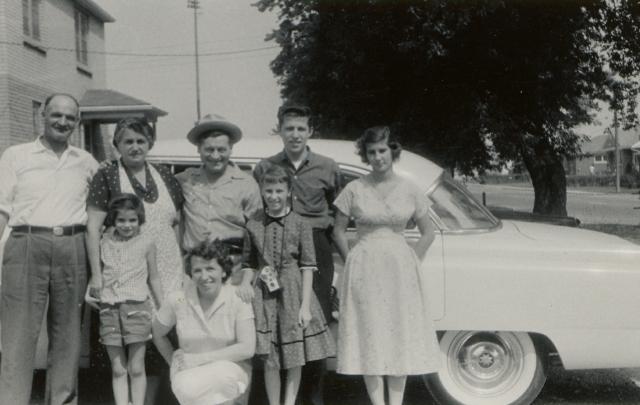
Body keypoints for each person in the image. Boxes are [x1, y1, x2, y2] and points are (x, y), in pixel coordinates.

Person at [0, 93, 99, 405]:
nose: (63, 122)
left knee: (68, 336)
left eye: (70, 117)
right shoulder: (16, 155)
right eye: (56, 115)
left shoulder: (87, 162)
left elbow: (100, 213)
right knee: (17, 336)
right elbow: (2, 208)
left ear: (77, 122)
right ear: (42, 114)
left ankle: (62, 400)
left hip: (73, 246)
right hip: (25, 244)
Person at [332, 126, 441, 405]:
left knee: (398, 332)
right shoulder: (354, 189)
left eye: (382, 150)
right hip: (364, 268)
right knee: (370, 332)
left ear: (393, 151)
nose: (378, 157)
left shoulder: (410, 189)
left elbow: (428, 232)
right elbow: (338, 231)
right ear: (365, 155)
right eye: (372, 152)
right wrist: (351, 258)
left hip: (399, 270)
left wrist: (412, 258)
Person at [85, 117, 184, 404]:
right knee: (136, 339)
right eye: (128, 141)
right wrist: (96, 275)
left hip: (166, 269)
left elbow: (176, 222)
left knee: (165, 333)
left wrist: (182, 268)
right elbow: (93, 228)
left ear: (150, 143)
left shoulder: (164, 174)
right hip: (127, 273)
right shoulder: (107, 176)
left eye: (141, 141)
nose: (135, 146)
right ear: (117, 144)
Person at [253, 104, 341, 405]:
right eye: (289, 128)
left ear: (310, 131)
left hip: (315, 244)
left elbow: (336, 212)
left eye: (301, 128)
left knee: (312, 323)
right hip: (276, 246)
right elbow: (261, 209)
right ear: (280, 130)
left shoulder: (328, 166)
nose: (295, 135)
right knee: (279, 323)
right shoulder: (265, 167)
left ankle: (312, 398)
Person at [241, 164, 335, 405]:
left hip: (293, 293)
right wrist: (245, 282)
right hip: (265, 294)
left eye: (279, 191)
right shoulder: (253, 224)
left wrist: (305, 306)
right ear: (262, 191)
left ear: (289, 191)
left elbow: (307, 266)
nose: (274, 196)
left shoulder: (302, 224)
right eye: (269, 191)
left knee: (294, 356)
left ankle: (290, 401)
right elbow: (249, 262)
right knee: (270, 356)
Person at [152, 239, 256, 405]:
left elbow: (247, 348)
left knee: (223, 378)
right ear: (190, 274)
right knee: (188, 387)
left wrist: (199, 359)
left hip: (230, 370)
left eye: (210, 269)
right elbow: (157, 333)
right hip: (189, 372)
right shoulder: (177, 299)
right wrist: (174, 362)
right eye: (197, 270)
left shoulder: (238, 298)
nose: (204, 276)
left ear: (223, 271)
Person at [97, 193, 164, 405]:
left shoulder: (146, 242)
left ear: (140, 220)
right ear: (113, 221)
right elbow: (98, 272)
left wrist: (162, 306)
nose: (127, 225)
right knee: (118, 369)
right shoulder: (104, 241)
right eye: (121, 220)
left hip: (137, 308)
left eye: (132, 220)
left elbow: (154, 276)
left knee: (136, 368)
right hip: (109, 308)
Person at [177, 113, 261, 258]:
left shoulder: (247, 184)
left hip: (234, 264)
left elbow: (258, 233)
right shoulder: (185, 179)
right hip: (194, 265)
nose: (215, 156)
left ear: (231, 148)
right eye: (209, 150)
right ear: (198, 149)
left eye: (221, 150)